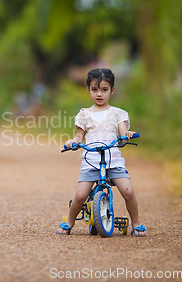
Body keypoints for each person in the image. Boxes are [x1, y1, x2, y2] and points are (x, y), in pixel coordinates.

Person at [55, 68, 146, 236]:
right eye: (94, 89)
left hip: (113, 160)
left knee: (128, 191)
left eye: (104, 90)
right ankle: (69, 222)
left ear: (112, 90)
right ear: (88, 90)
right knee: (81, 195)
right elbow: (79, 136)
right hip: (91, 161)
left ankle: (137, 223)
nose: (99, 94)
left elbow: (122, 131)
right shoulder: (84, 114)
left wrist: (126, 135)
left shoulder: (117, 113)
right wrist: (73, 142)